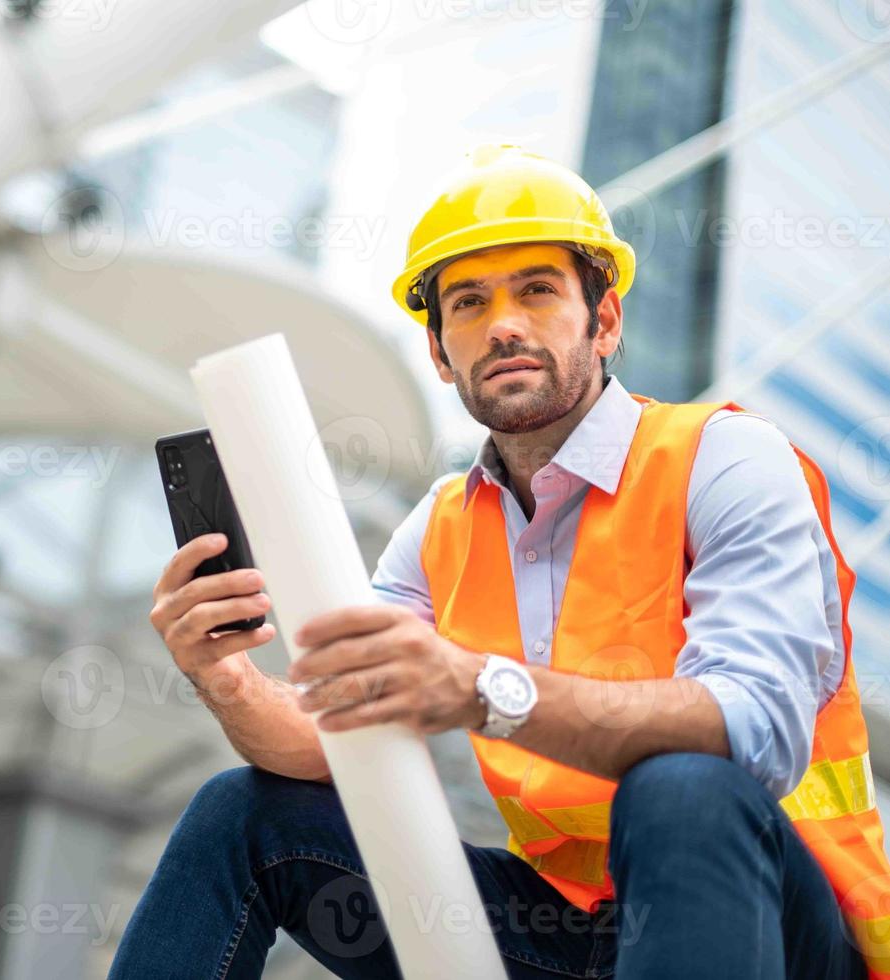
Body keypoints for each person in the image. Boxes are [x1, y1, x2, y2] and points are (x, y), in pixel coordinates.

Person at [108, 144, 890, 979]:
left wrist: (481, 689)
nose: (503, 324)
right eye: (469, 303)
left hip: (774, 925)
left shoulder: (725, 458)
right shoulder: (440, 525)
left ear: (606, 319)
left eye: (538, 290)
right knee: (243, 811)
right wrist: (224, 677)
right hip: (560, 930)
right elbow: (336, 735)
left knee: (683, 785)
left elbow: (754, 730)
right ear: (441, 354)